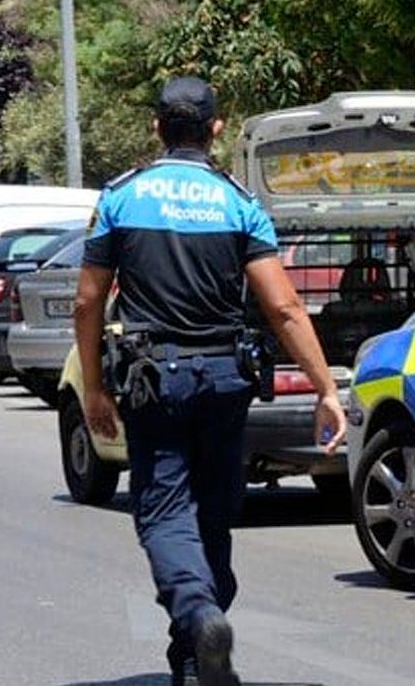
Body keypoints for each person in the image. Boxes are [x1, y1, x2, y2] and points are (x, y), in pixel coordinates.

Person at [74, 76, 348, 686]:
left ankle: (199, 613)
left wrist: (93, 387)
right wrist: (326, 389)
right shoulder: (237, 202)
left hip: (154, 381)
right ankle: (195, 655)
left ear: (156, 128)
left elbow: (88, 302)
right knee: (214, 513)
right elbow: (284, 310)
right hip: (226, 377)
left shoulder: (121, 197)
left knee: (165, 511)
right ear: (216, 129)